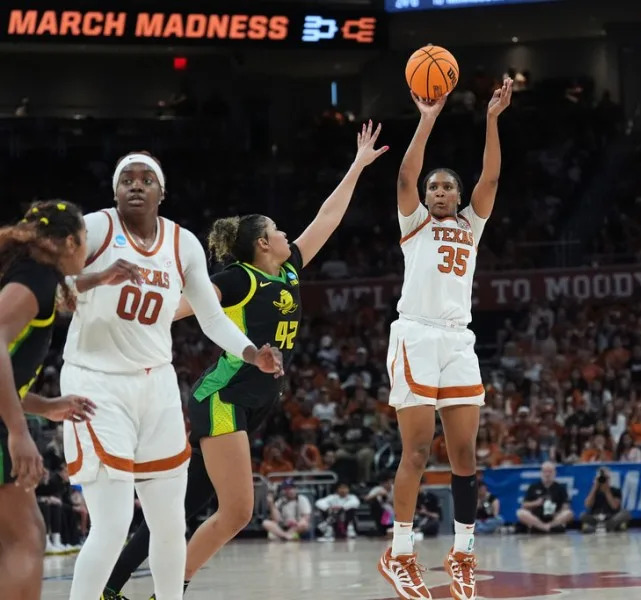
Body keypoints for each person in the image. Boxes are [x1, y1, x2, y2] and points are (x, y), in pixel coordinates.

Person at [102, 122, 387, 598]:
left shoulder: (290, 268)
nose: (286, 234)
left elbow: (328, 218)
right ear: (261, 244)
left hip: (254, 401)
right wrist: (139, 317)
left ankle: (110, 590)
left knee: (178, 511)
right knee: (237, 512)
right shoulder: (237, 279)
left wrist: (357, 165)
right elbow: (188, 304)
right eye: (277, 231)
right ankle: (167, 592)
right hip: (222, 397)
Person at [62, 152, 283, 600]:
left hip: (157, 384)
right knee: (113, 523)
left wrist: (248, 352)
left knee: (169, 522)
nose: (136, 185)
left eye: (147, 179)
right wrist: (96, 279)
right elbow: (51, 292)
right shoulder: (96, 229)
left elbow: (211, 315)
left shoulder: (182, 244)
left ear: (162, 192)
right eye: (127, 179)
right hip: (96, 383)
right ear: (114, 190)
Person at [377, 77, 513, 600]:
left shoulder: (471, 225)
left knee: (463, 456)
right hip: (415, 336)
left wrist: (492, 120)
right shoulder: (413, 223)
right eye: (434, 187)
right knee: (415, 452)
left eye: (446, 187)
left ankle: (463, 553)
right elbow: (406, 172)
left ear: (457, 196)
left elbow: (493, 177)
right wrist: (428, 118)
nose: (438, 191)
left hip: (458, 340)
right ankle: (402, 552)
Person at [0, 200, 97, 600]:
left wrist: (46, 406)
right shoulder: (33, 279)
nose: (87, 251)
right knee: (26, 537)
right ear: (71, 240)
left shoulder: (35, 278)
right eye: (86, 241)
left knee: (24, 535)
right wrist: (19, 432)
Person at [515, 461, 574, 534]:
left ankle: (549, 526)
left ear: (554, 473)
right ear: (541, 473)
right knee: (520, 513)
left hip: (554, 517)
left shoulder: (560, 488)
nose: (547, 474)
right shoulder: (533, 487)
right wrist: (536, 503)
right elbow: (524, 505)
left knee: (568, 513)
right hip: (537, 518)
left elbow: (566, 505)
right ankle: (544, 527)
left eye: (550, 472)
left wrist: (557, 513)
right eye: (545, 471)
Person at [581, 468, 630, 533]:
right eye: (601, 478)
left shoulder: (615, 490)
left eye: (606, 478)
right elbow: (588, 505)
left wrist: (607, 491)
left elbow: (614, 506)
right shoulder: (593, 491)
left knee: (625, 513)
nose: (603, 480)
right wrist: (594, 488)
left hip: (611, 517)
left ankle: (599, 528)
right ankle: (609, 528)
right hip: (596, 517)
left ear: (609, 479)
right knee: (582, 515)